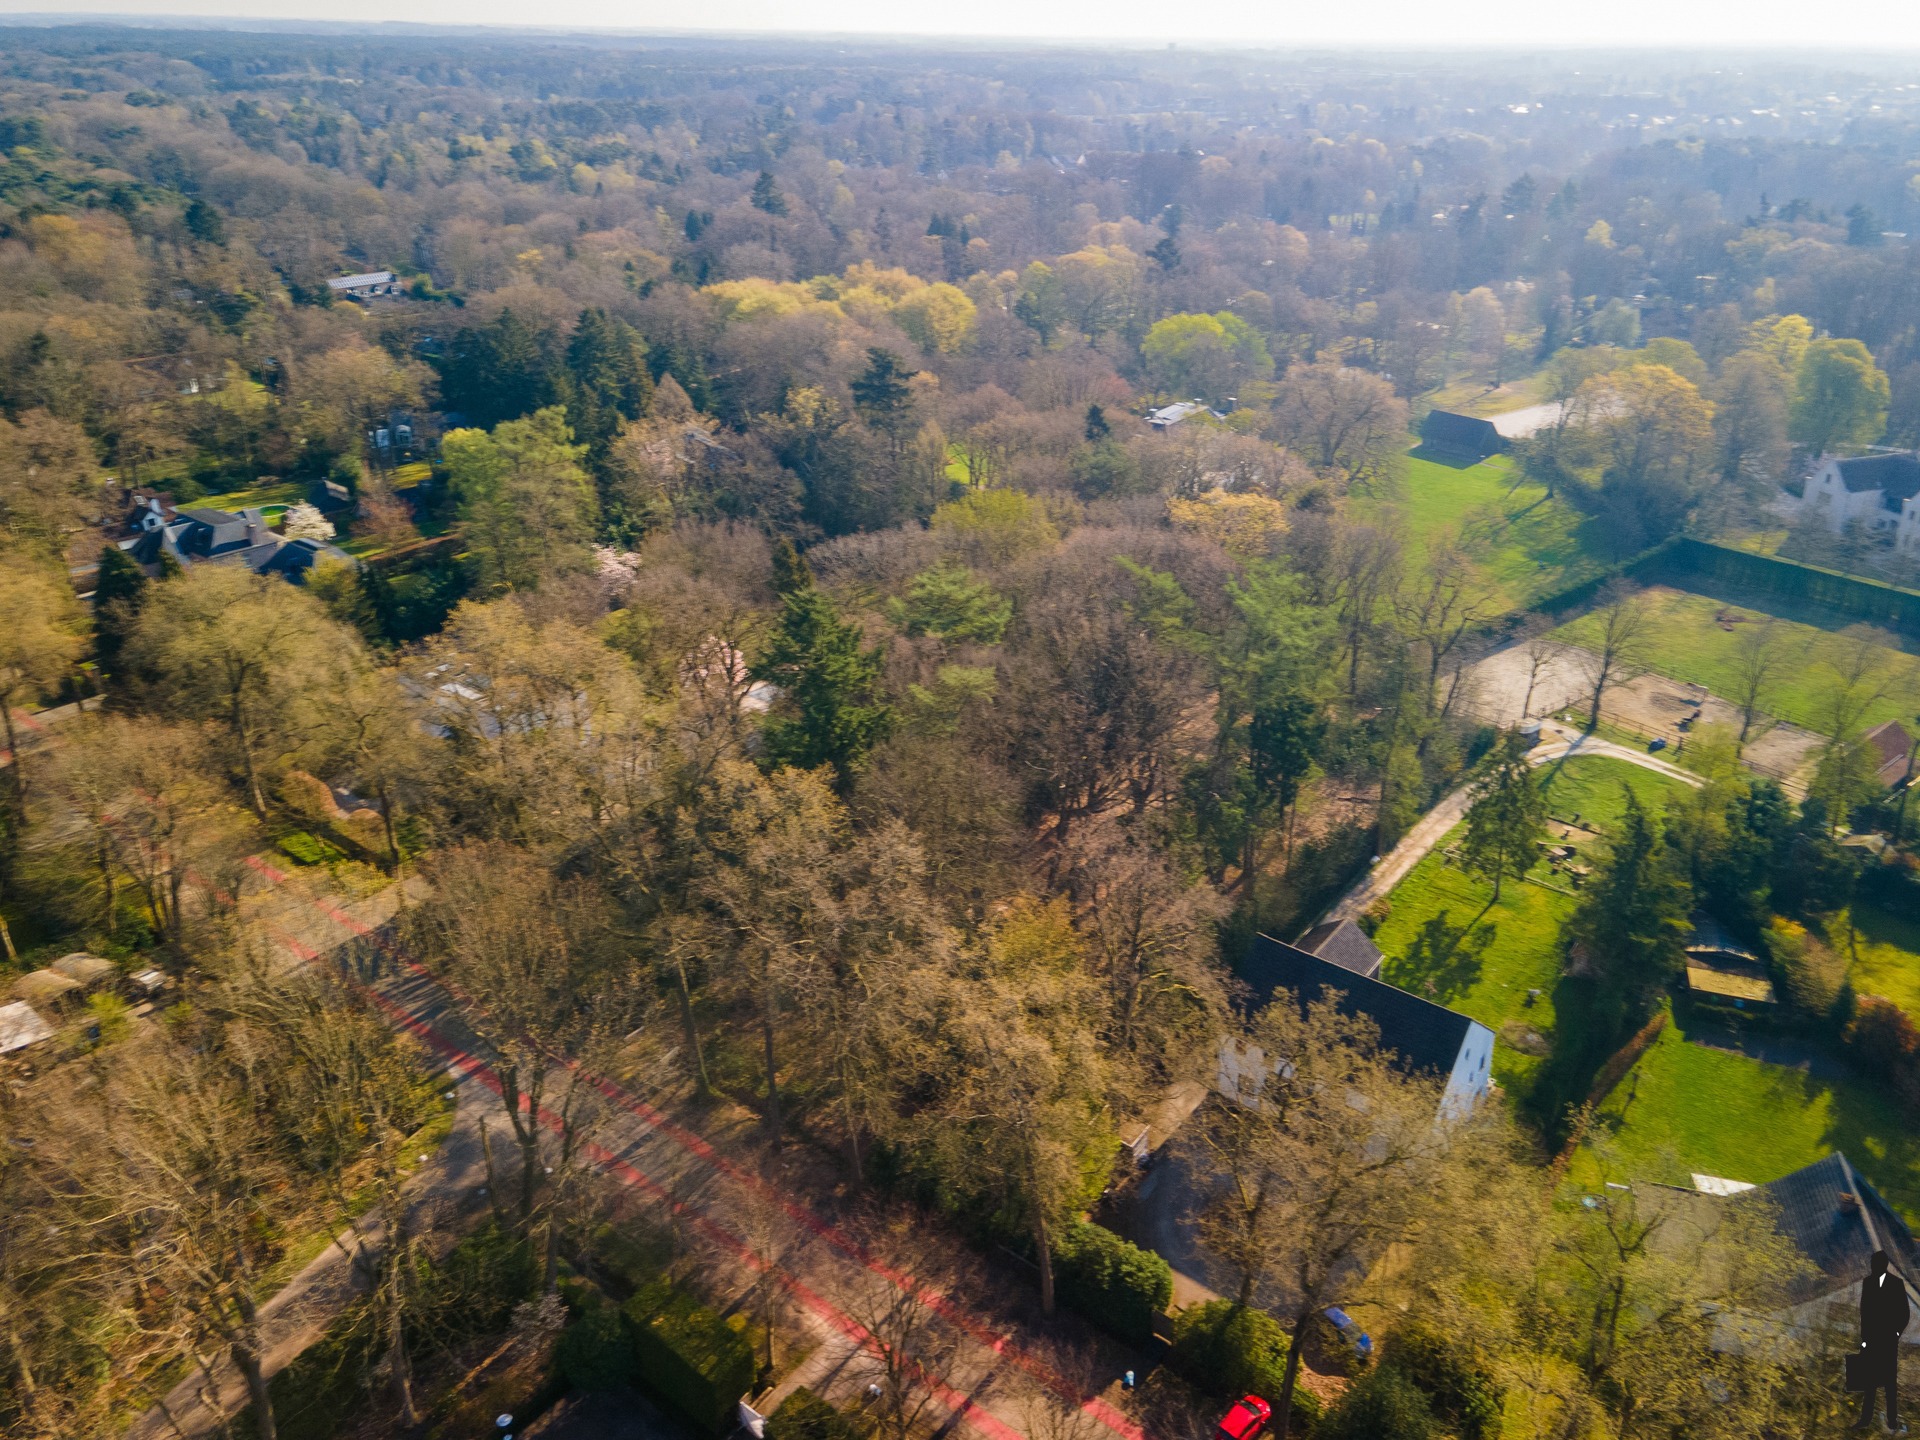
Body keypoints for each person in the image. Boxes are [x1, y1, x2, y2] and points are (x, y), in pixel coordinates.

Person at [1854, 1249, 1911, 1434]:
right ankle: (1865, 1419)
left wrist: (1895, 1333)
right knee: (1870, 1380)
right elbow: (1864, 1313)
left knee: (1889, 1382)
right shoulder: (1867, 1283)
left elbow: (1904, 1312)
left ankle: (1892, 1421)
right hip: (1871, 1340)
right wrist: (1864, 1340)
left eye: (1875, 1264)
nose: (1873, 1267)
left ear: (1882, 1265)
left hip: (1888, 1340)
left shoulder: (1896, 1284)